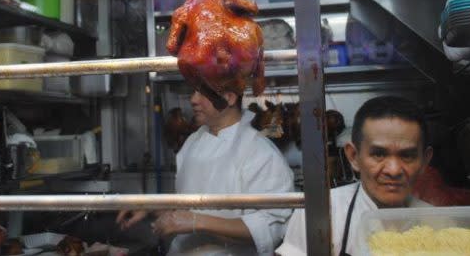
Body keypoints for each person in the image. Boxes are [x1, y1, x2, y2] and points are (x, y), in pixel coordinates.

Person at [117, 89, 294, 255]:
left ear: (230, 97)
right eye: (193, 91)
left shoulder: (259, 152)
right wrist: (151, 207)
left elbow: (271, 227)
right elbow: (188, 207)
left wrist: (197, 222)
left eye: (203, 92)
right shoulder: (194, 142)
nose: (193, 99)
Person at [276, 96, 433, 256]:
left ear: (425, 161)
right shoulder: (319, 214)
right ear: (353, 157)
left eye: (407, 156)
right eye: (378, 154)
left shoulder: (440, 224)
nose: (393, 170)